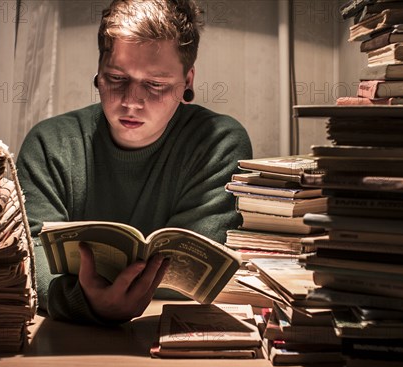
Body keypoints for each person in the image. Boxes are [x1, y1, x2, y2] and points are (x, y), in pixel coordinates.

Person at [16, 0, 252, 325]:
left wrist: (85, 295)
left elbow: (195, 278)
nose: (131, 101)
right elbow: (27, 257)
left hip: (168, 332)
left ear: (188, 81)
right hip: (64, 338)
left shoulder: (219, 142)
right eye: (116, 78)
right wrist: (85, 302)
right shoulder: (50, 144)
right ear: (98, 74)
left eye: (155, 85)